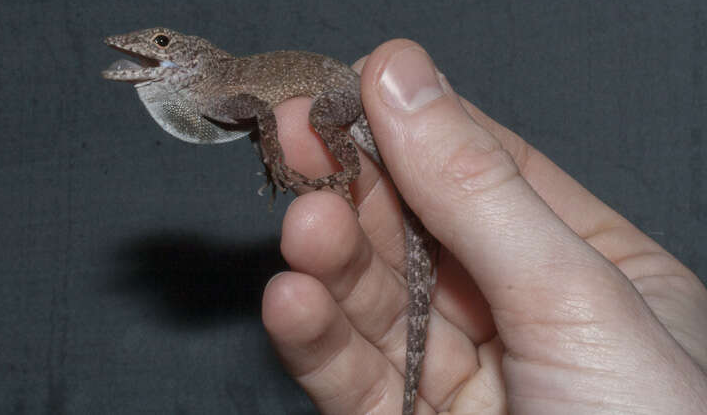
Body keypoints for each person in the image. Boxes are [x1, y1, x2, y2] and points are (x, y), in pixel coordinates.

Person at [261, 40, 707, 413]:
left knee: (398, 274)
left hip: (360, 114)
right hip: (356, 117)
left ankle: (345, 175)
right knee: (393, 278)